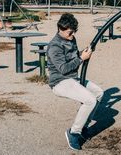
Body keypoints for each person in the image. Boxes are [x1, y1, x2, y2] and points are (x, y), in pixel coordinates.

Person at [47, 13, 104, 151]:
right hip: (60, 81)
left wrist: (81, 53)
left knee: (98, 93)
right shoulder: (55, 46)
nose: (72, 35)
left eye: (74, 32)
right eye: (70, 32)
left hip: (73, 78)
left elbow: (73, 57)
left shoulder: (71, 39)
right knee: (90, 100)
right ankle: (74, 133)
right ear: (61, 29)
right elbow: (63, 69)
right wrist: (81, 59)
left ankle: (83, 126)